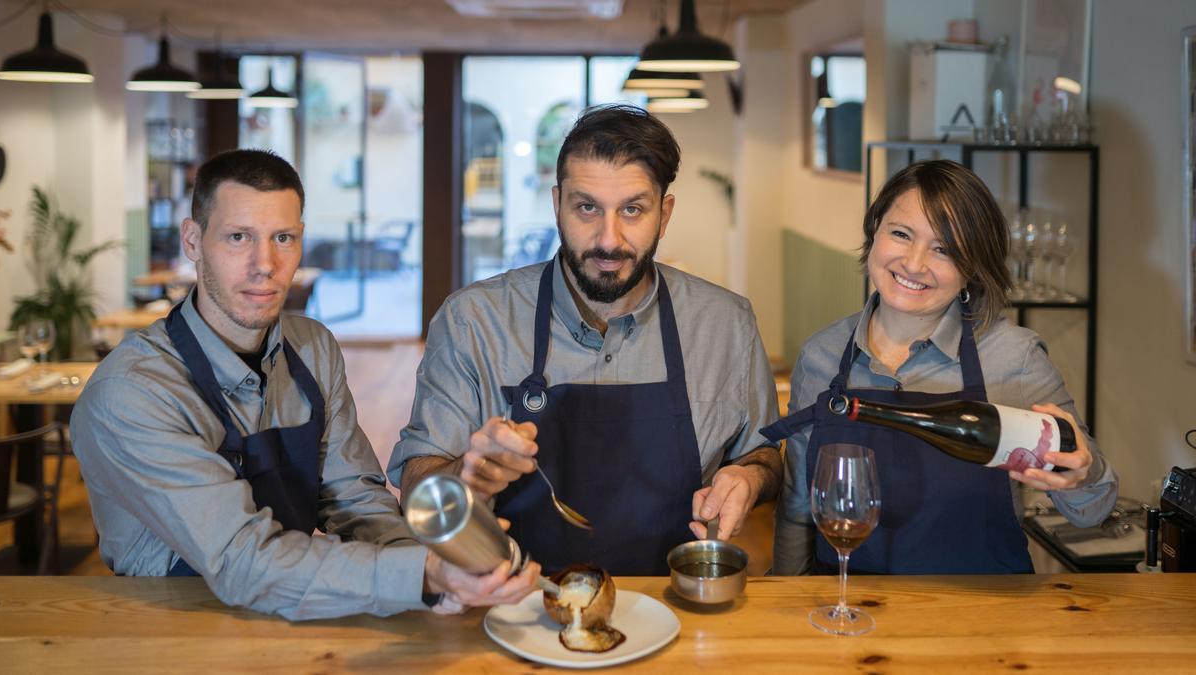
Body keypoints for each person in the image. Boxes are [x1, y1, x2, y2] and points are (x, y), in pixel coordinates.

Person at [71, 149, 539, 620]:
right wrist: (422, 573)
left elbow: (356, 502)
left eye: (283, 237)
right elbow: (241, 558)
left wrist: (432, 578)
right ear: (193, 241)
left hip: (291, 612)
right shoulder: (132, 393)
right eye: (238, 237)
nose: (265, 264)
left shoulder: (312, 349)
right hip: (170, 632)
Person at [389, 105, 781, 576]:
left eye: (632, 210)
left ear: (665, 213)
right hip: (510, 601)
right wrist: (464, 476)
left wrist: (751, 477)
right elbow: (417, 484)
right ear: (557, 204)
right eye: (587, 208)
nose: (609, 240)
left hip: (676, 606)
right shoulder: (474, 320)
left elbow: (764, 456)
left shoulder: (726, 324)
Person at [765, 159, 1117, 575]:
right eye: (901, 234)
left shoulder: (1014, 358)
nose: (914, 264)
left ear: (972, 268)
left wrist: (1083, 473)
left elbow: (1091, 511)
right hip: (849, 615)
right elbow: (798, 509)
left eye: (944, 249)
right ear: (874, 230)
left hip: (980, 620)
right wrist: (789, 603)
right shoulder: (821, 356)